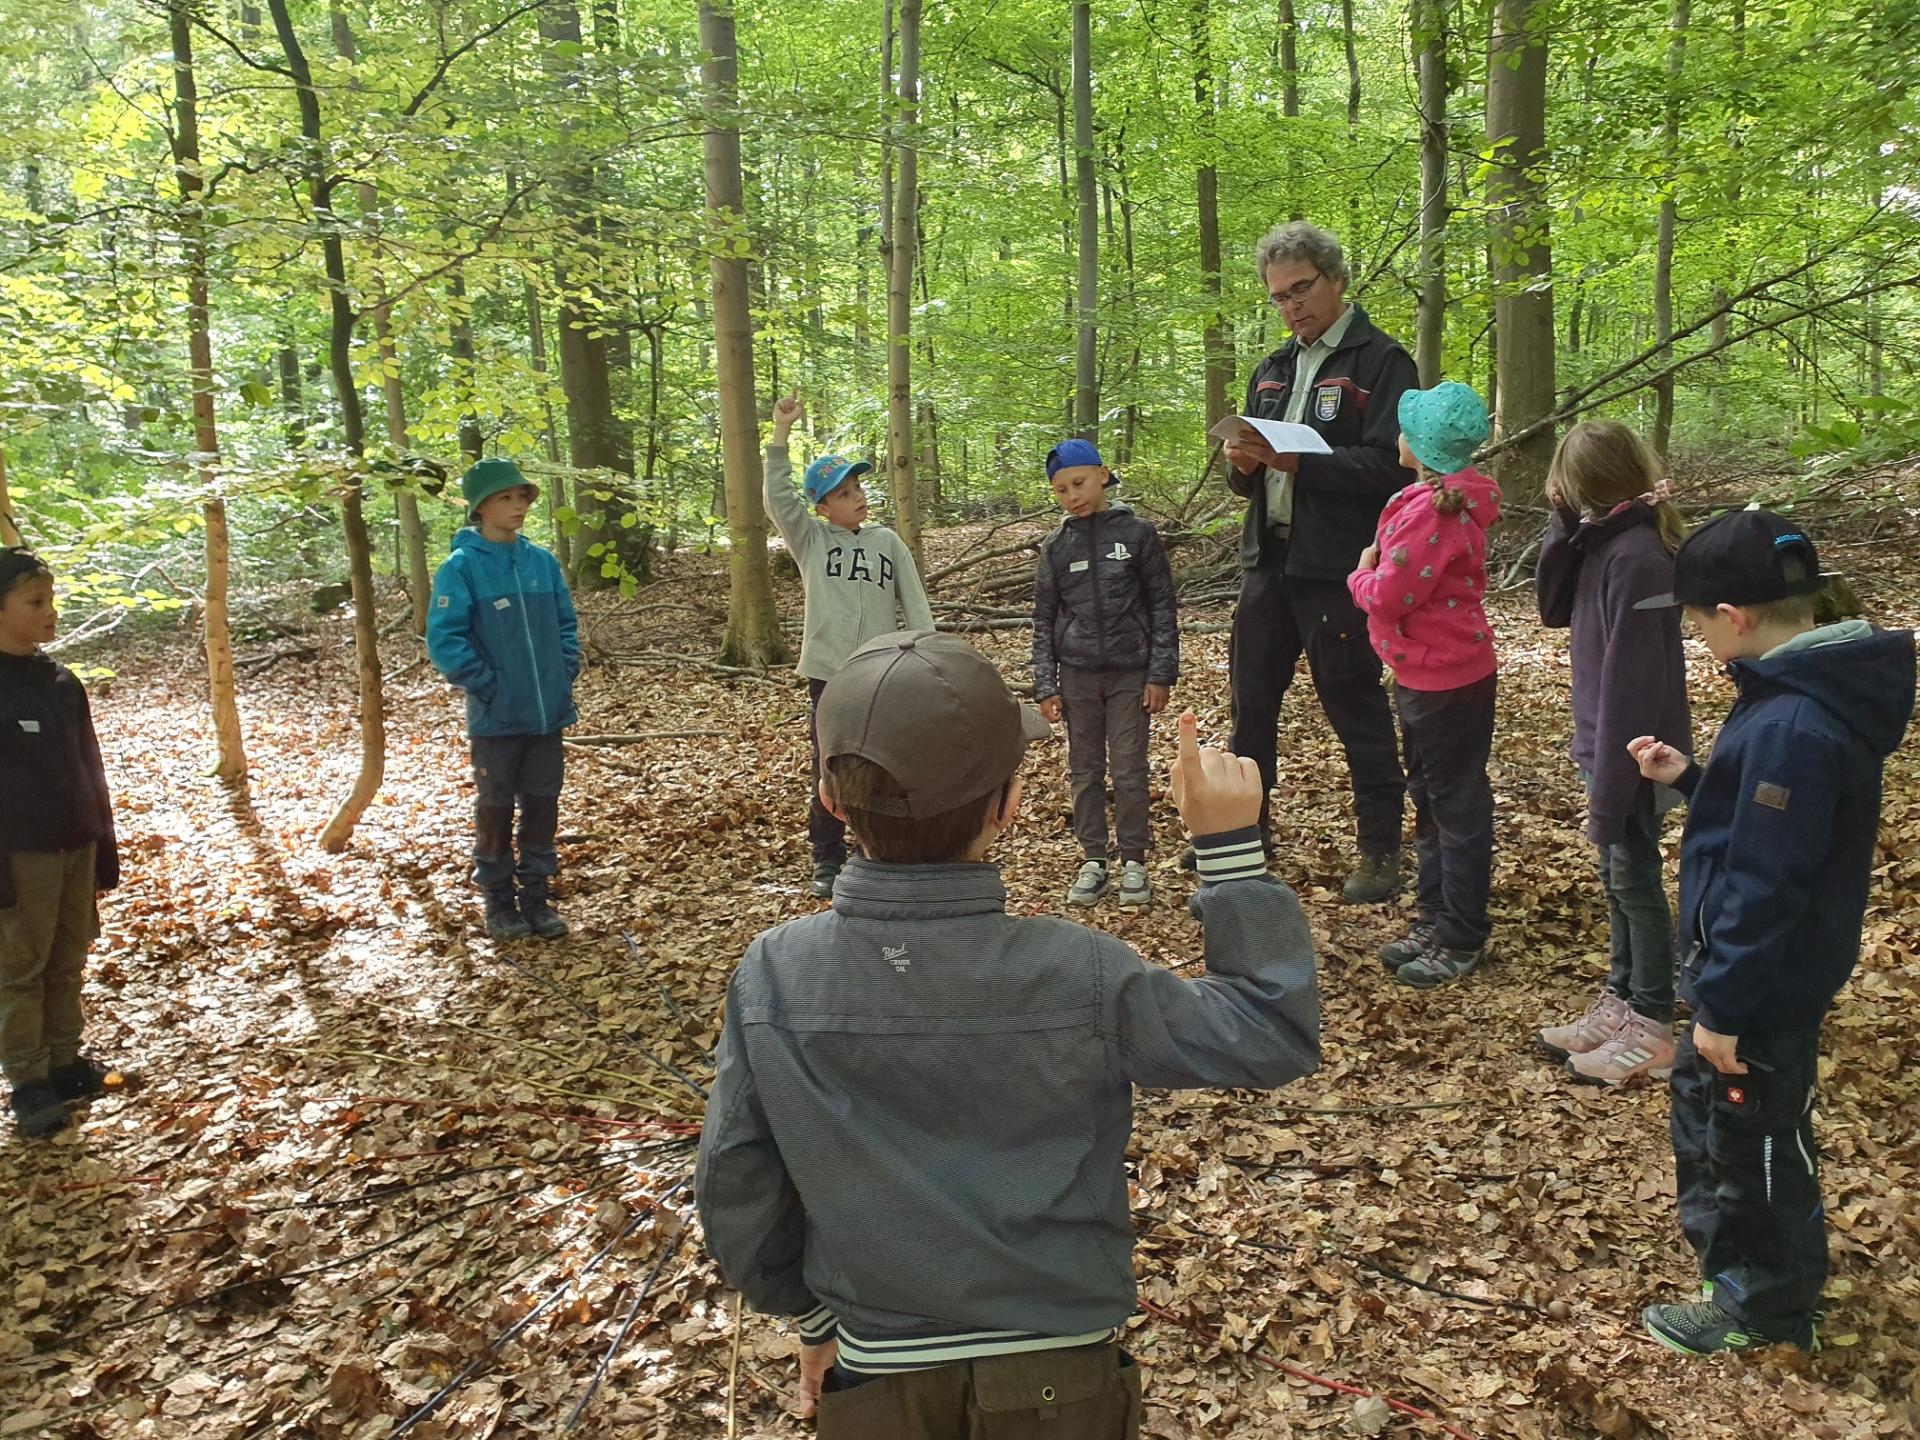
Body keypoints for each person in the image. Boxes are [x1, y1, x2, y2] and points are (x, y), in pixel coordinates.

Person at [696, 630, 1321, 1438]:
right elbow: (1269, 1031)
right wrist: (1230, 852)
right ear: (1009, 805)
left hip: (882, 1383)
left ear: (830, 799)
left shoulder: (775, 975)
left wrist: (812, 1319)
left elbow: (737, 1180)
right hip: (1064, 1384)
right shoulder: (1080, 971)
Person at [1626, 508, 1912, 1356]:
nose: (1695, 634)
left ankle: (1768, 1305)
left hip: (1759, 990)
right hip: (1743, 981)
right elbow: (1771, 824)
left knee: (1755, 1145)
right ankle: (1735, 1276)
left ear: (1736, 618)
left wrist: (1723, 1006)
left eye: (1695, 620)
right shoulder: (1793, 697)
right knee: (1714, 1125)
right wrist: (1697, 780)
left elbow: (1767, 881)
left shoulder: (1793, 722)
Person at [1221, 221, 1414, 902]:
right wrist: (1242, 465)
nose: (1291, 305)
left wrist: (1304, 462)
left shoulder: (1380, 362)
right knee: (1250, 709)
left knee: (1354, 703)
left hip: (1338, 565)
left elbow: (1394, 466)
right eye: (1278, 296)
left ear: (1335, 279)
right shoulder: (1272, 369)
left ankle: (1381, 850)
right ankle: (1243, 841)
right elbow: (1248, 478)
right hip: (1267, 560)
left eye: (1301, 289)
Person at [1532, 422, 1693, 1085]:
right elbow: (1549, 604)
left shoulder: (1637, 559)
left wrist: (1615, 785)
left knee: (1634, 882)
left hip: (1633, 752)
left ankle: (1651, 1023)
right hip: (1602, 745)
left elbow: (1634, 682)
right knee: (1616, 879)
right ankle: (1622, 999)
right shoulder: (1600, 543)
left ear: (1591, 484)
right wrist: (1560, 520)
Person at [1348, 382, 1499, 987]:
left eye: (1407, 426)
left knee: (1453, 804)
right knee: (1431, 797)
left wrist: (1359, 576)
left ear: (1424, 445)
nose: (1397, 434)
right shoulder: (1432, 500)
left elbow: (1390, 593)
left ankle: (1461, 933)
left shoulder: (1433, 511)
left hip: (1444, 679)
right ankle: (1436, 916)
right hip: (1426, 670)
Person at [764, 389, 934, 899]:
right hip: (830, 672)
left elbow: (916, 600)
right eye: (842, 492)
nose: (856, 496)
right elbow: (777, 498)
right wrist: (780, 434)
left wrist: (927, 653)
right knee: (832, 763)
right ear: (822, 507)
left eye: (857, 486)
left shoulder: (887, 541)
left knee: (884, 761)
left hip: (884, 671)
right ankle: (827, 855)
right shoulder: (812, 540)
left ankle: (876, 849)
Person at [427, 459, 580, 942]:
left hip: (546, 716)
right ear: (481, 507)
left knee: (542, 805)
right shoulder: (462, 567)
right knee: (494, 807)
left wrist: (563, 669)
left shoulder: (541, 562)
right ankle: (498, 901)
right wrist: (486, 683)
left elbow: (565, 626)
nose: (517, 507)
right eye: (506, 499)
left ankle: (536, 898)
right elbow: (444, 639)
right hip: (496, 719)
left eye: (522, 498)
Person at [0, 546, 121, 1139]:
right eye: (35, 602)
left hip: (76, 843)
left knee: (69, 956)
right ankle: (28, 1082)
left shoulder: (59, 680)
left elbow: (87, 764)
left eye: (51, 600)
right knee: (22, 966)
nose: (51, 612)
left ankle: (64, 1061)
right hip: (18, 855)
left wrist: (104, 843)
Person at [1031, 438, 1179, 907]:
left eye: (1078, 483)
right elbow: (1043, 618)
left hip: (1130, 672)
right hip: (1076, 675)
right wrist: (1045, 684)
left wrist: (1160, 674)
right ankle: (1094, 858)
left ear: (1101, 473)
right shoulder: (1056, 545)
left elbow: (1162, 605)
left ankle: (1134, 859)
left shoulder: (1138, 535)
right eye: (1060, 490)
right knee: (1085, 769)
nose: (1071, 496)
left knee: (1131, 768)